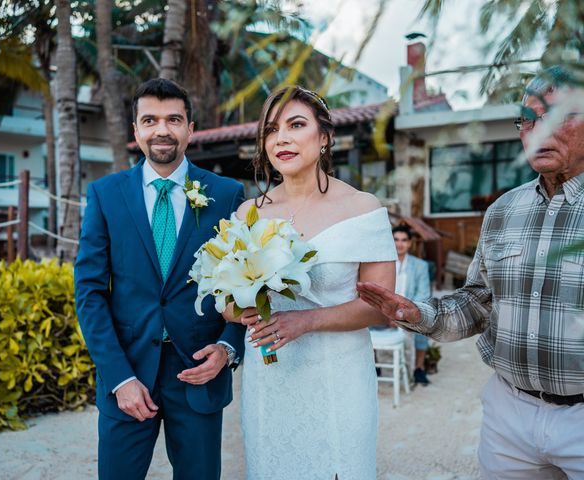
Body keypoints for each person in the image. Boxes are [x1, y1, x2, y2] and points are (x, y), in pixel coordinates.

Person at [357, 65, 584, 479]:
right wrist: (416, 312)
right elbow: (478, 303)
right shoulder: (502, 211)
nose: (538, 130)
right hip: (509, 415)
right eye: (527, 119)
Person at [74, 78, 246, 480]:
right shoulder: (105, 194)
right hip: (128, 373)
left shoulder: (226, 194)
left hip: (199, 373)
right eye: (149, 120)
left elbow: (245, 286)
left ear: (190, 127)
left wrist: (226, 348)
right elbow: (90, 293)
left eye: (173, 119)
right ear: (135, 130)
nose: (162, 130)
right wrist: (119, 377)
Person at [223, 86, 397, 479]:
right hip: (271, 375)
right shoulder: (249, 213)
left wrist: (306, 321)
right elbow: (225, 300)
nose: (281, 138)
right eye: (270, 130)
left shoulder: (363, 209)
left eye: (296, 125)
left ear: (325, 137)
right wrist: (243, 308)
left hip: (338, 377)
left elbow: (381, 307)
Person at [392, 224, 432, 384]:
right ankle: (376, 365)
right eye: (395, 240)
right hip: (385, 310)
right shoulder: (383, 265)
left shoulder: (420, 266)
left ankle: (418, 368)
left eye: (403, 240)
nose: (399, 244)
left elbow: (423, 294)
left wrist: (404, 313)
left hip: (410, 309)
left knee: (424, 320)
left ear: (409, 243)